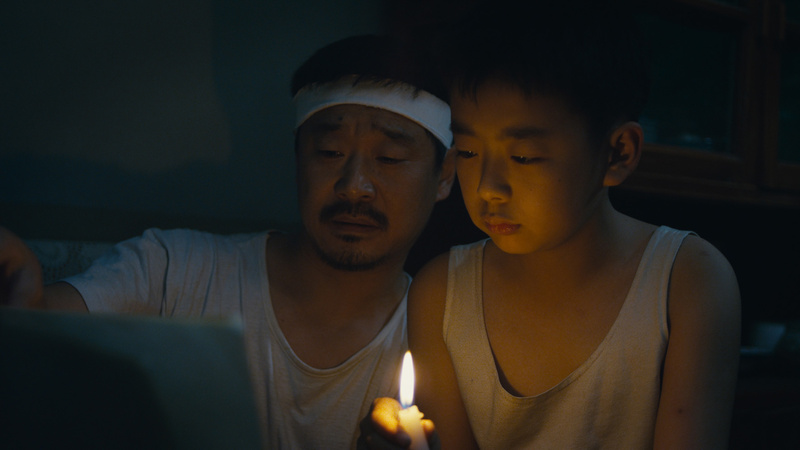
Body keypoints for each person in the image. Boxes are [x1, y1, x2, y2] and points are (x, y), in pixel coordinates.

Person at [0, 34, 455, 449]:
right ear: (298, 158)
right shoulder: (174, 270)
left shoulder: (449, 342)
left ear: (444, 176)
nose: (354, 186)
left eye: (390, 158)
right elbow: (40, 328)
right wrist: (21, 283)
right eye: (329, 152)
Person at [363, 1, 741, 448]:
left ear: (617, 153)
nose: (488, 187)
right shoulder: (442, 295)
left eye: (524, 157)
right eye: (468, 151)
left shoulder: (686, 283)